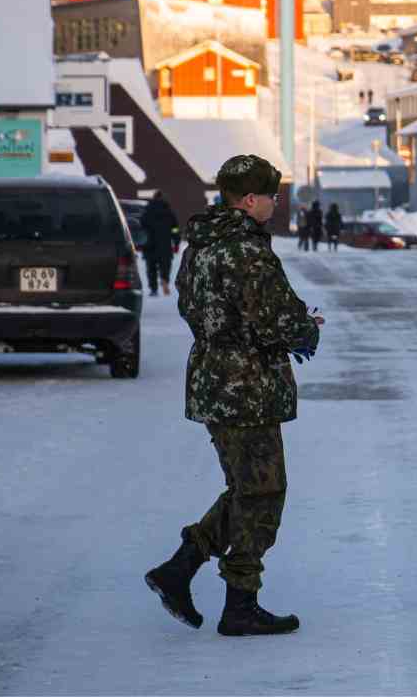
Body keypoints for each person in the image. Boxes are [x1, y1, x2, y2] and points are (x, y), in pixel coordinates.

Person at [143, 154, 322, 638]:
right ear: (249, 200)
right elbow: (276, 318)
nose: (275, 204)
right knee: (264, 492)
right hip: (247, 388)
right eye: (270, 196)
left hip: (212, 379)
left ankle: (181, 568)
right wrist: (305, 330)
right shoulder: (246, 249)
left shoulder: (199, 244)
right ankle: (239, 602)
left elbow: (194, 306)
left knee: (248, 488)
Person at [139, 195, 181, 296]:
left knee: (151, 268)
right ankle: (164, 280)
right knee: (165, 265)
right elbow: (175, 229)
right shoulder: (169, 213)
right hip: (165, 244)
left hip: (150, 245)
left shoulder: (147, 213)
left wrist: (141, 243)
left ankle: (153, 289)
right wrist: (176, 243)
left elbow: (142, 230)